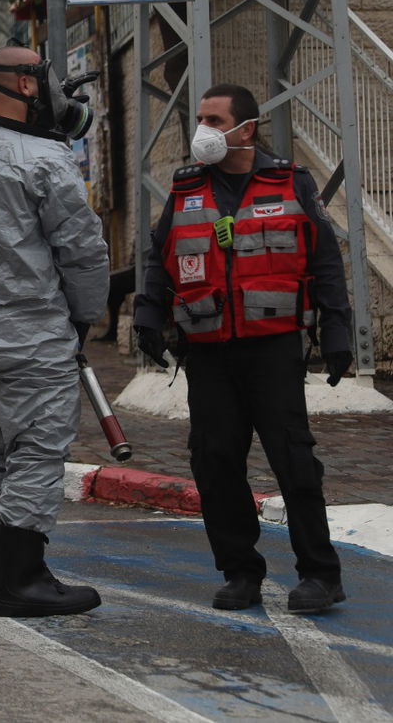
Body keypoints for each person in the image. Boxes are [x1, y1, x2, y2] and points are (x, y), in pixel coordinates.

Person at [133, 83, 352, 615]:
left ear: (245, 128)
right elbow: (159, 258)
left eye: (213, 119)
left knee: (294, 462)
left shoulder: (293, 183)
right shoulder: (185, 189)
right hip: (207, 350)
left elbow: (324, 261)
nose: (202, 130)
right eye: (201, 119)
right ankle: (240, 571)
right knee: (214, 462)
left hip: (273, 348)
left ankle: (321, 575)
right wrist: (148, 315)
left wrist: (337, 330)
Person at [0, 45, 110, 617]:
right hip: (31, 329)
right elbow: (82, 252)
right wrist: (85, 317)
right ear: (30, 86)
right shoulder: (47, 160)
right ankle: (23, 579)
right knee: (37, 449)